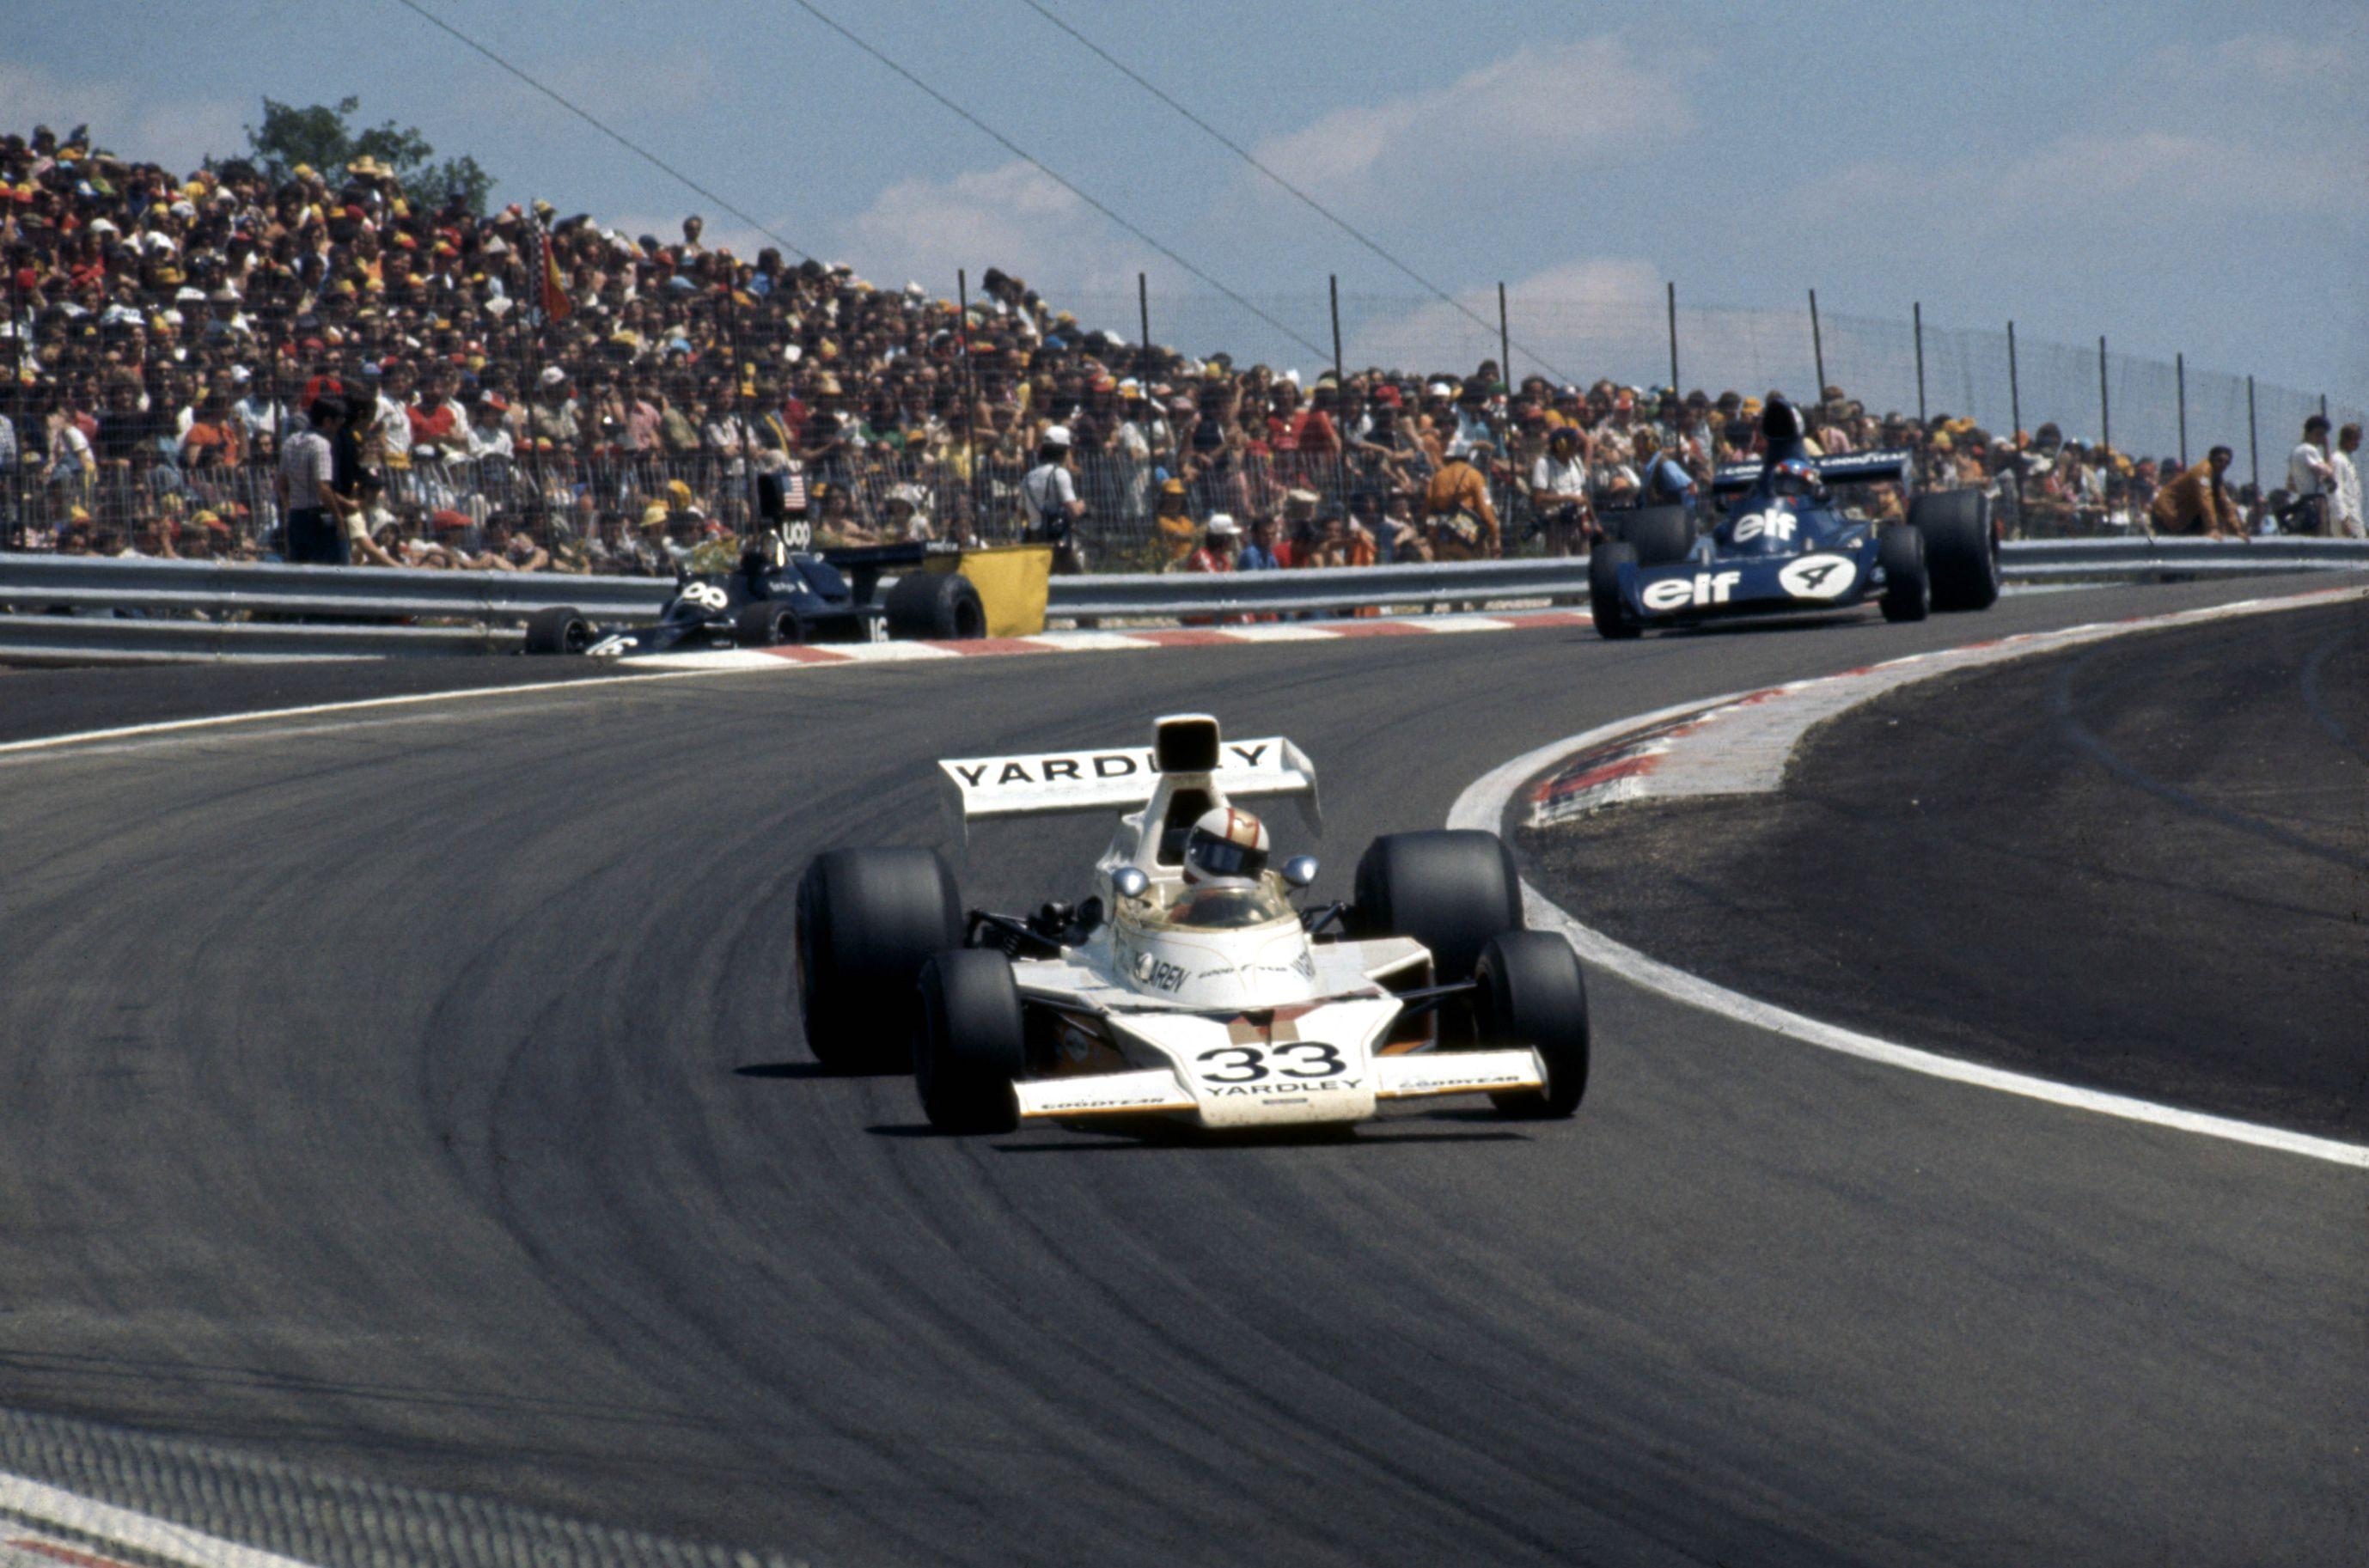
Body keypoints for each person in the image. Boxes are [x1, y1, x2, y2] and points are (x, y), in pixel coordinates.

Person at [1168, 807, 1276, 930]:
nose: (1228, 877)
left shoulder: (1266, 916)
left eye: (1244, 864)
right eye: (1218, 857)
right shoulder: (1178, 908)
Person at [276, 395, 348, 564]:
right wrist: (338, 518)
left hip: (296, 515)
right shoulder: (320, 445)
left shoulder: (290, 442)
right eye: (339, 421)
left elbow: (282, 485)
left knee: (299, 571)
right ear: (327, 422)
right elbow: (323, 488)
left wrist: (290, 510)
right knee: (335, 569)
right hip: (318, 517)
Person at [1023, 423, 1088, 571]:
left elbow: (1022, 512)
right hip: (1056, 541)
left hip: (1034, 540)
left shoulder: (1029, 477)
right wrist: (1081, 505)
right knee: (1073, 578)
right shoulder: (1060, 474)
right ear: (1064, 451)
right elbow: (1074, 511)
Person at [1422, 440, 1499, 560]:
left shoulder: (1437, 477)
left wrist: (1432, 535)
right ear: (1467, 456)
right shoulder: (1475, 476)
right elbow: (1486, 510)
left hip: (1444, 539)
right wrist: (1495, 537)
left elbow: (1428, 511)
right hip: (1469, 539)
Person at [2147, 446, 2242, 537]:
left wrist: (2237, 529)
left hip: (2181, 516)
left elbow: (2223, 501)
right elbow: (2205, 499)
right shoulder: (2203, 472)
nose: (2223, 465)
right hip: (2163, 514)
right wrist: (2212, 528)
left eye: (2226, 462)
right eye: (2220, 461)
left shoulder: (2216, 476)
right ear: (2211, 459)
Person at [1529, 425, 1591, 552]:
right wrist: (1567, 498)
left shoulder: (1576, 461)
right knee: (1562, 560)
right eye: (1573, 442)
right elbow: (1538, 498)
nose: (1577, 446)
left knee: (1584, 560)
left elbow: (1583, 493)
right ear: (1561, 445)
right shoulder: (1544, 464)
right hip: (1557, 522)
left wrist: (1594, 521)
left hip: (1579, 521)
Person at [2287, 416, 2335, 534]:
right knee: (2321, 535)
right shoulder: (2309, 450)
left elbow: (2290, 484)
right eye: (2318, 434)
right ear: (2307, 433)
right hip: (2316, 500)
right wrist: (2327, 448)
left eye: (2323, 435)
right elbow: (2329, 472)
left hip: (2304, 499)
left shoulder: (2295, 452)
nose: (2321, 438)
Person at [2332, 424, 2362, 540]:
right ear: (2345, 439)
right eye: (2355, 439)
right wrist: (2344, 520)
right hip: (2347, 519)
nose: (2357, 443)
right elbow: (2336, 491)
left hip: (2354, 515)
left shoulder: (2347, 459)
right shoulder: (2337, 460)